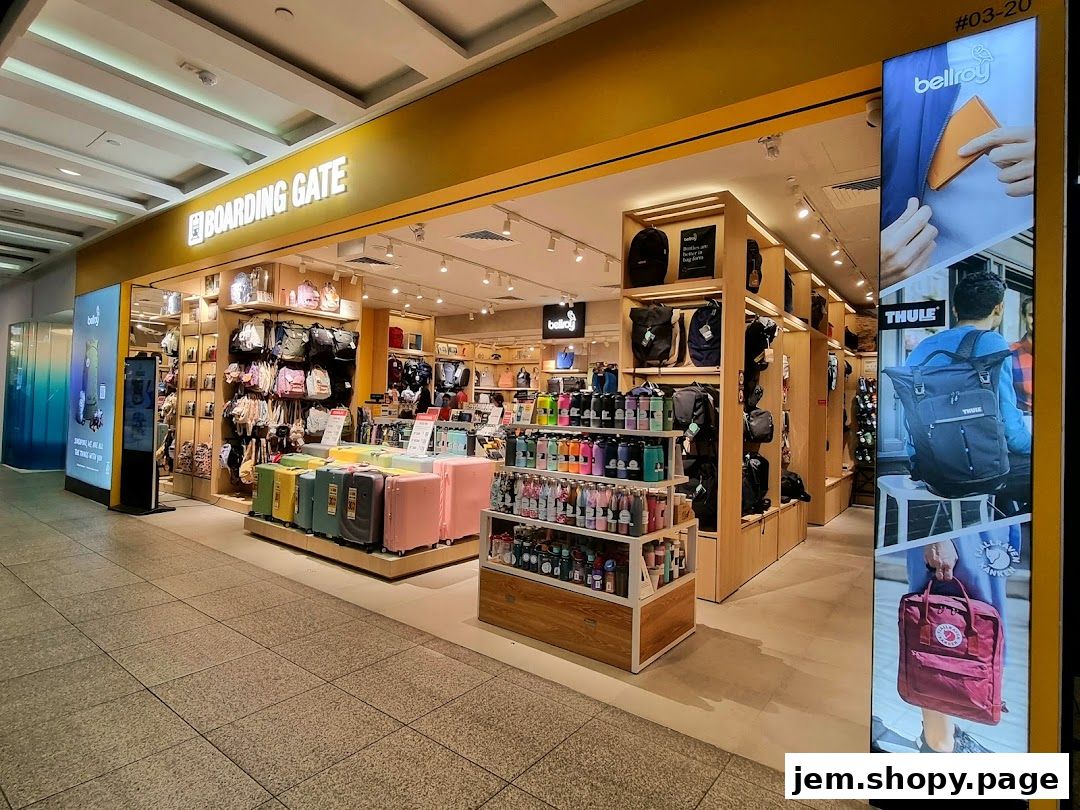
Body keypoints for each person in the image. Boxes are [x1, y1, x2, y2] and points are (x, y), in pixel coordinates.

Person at [903, 270, 1031, 754]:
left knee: (933, 616)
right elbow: (1011, 430)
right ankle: (940, 743)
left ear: (955, 307)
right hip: (980, 497)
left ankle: (942, 731)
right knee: (973, 612)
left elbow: (914, 431)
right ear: (997, 309)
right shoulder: (992, 344)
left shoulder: (923, 350)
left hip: (930, 496)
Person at [1010, 296, 1034, 419]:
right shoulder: (1010, 353)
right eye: (1032, 315)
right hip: (1026, 422)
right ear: (1024, 317)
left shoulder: (1060, 352)